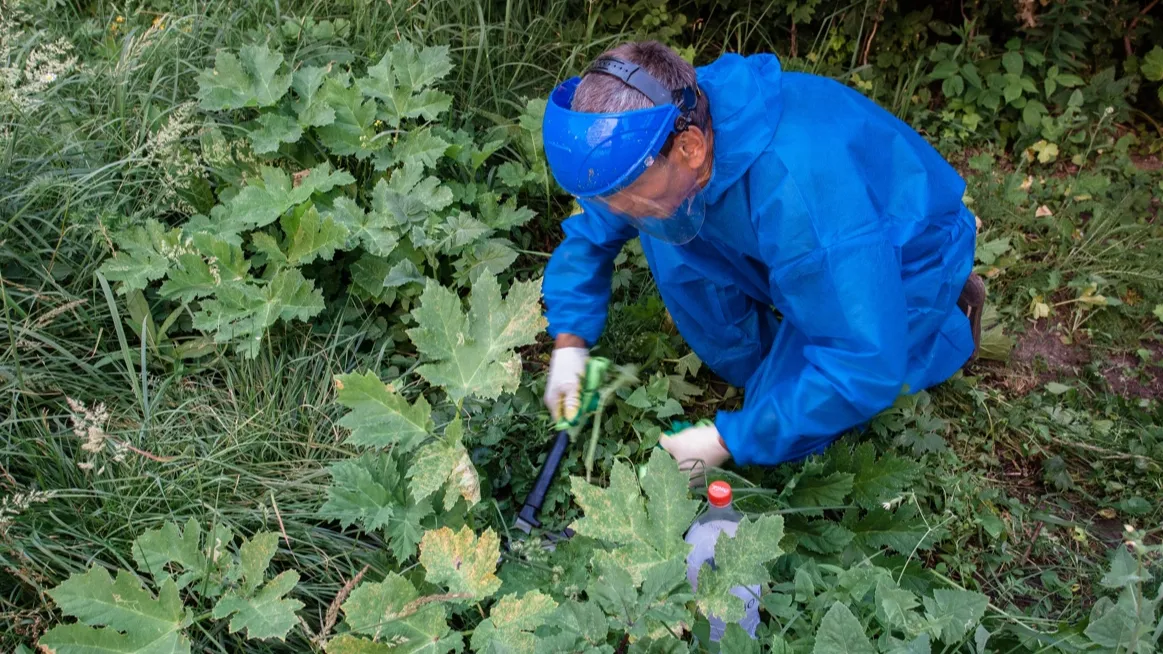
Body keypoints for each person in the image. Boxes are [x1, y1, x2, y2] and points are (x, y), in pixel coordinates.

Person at [540, 41, 985, 472]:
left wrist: (729, 438)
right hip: (788, 238)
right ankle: (776, 362)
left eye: (625, 192)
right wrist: (569, 344)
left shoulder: (799, 187)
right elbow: (593, 234)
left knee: (819, 399)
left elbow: (864, 359)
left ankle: (945, 320)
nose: (614, 209)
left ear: (691, 148)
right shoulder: (669, 120)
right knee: (663, 224)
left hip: (898, 252)